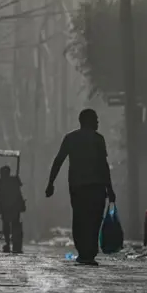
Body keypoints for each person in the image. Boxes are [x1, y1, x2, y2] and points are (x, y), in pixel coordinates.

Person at [45, 108, 115, 266]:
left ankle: (84, 252)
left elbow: (59, 160)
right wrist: (109, 189)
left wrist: (51, 182)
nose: (98, 122)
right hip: (96, 186)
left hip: (78, 186)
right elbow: (103, 166)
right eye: (95, 119)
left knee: (80, 218)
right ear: (88, 121)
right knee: (95, 219)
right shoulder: (98, 139)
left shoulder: (71, 138)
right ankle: (89, 251)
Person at [0, 166, 25, 253]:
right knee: (12, 224)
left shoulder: (1, 181)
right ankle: (12, 242)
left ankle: (8, 242)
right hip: (13, 207)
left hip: (7, 207)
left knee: (7, 225)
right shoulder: (13, 180)